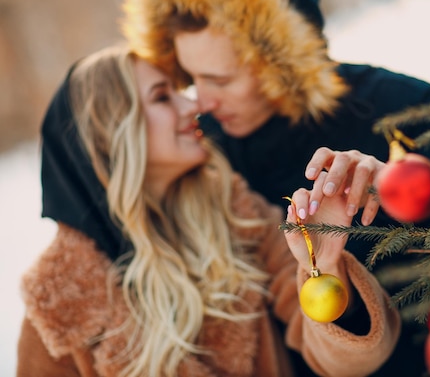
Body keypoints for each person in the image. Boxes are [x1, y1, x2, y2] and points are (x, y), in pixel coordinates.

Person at [119, 0, 430, 375]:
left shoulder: (390, 104)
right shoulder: (204, 152)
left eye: (222, 80)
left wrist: (413, 189)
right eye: (192, 78)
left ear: (282, 58)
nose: (203, 101)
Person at [16, 45, 401, 377]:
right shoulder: (59, 307)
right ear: (113, 137)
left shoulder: (240, 216)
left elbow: (348, 361)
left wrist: (325, 263)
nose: (194, 103)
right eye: (162, 97)